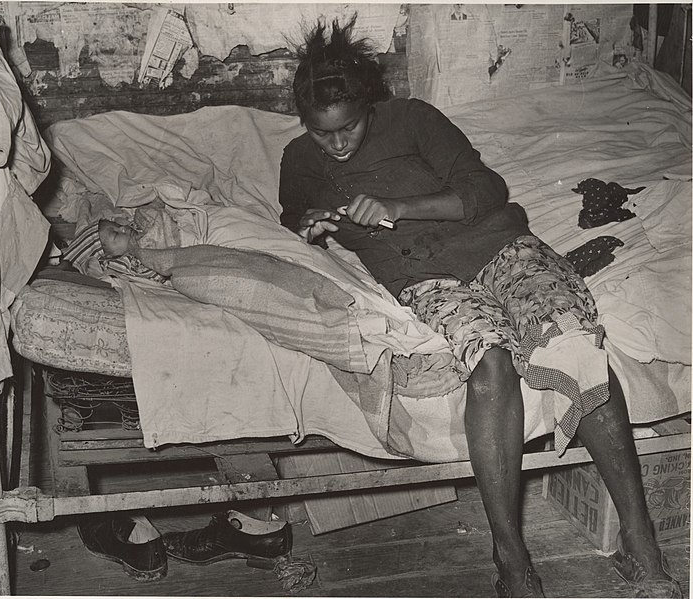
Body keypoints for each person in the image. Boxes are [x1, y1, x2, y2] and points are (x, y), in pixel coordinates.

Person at [278, 16, 682, 598]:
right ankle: (511, 558)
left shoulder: (415, 119)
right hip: (423, 275)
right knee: (489, 363)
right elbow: (292, 214)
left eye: (349, 128)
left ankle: (642, 548)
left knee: (574, 346)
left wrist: (399, 204)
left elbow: (487, 191)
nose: (337, 145)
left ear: (368, 104)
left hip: (499, 244)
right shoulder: (301, 159)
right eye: (323, 134)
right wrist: (310, 225)